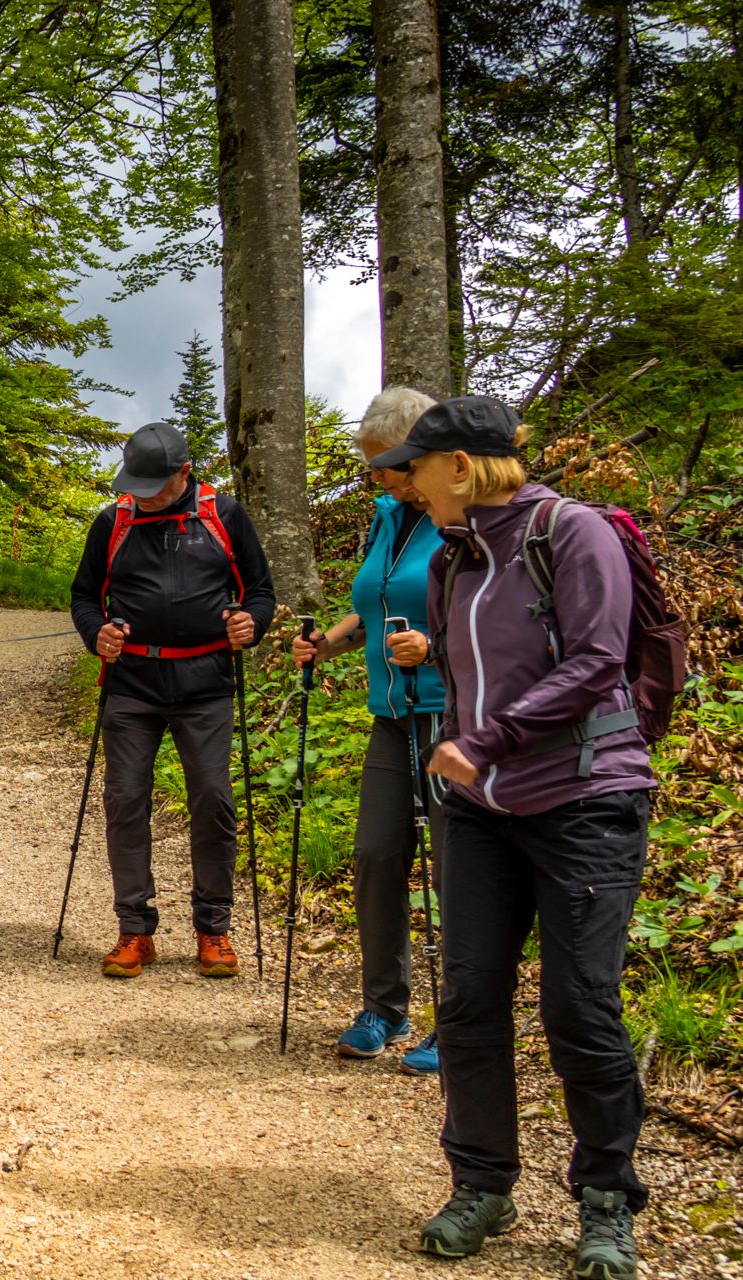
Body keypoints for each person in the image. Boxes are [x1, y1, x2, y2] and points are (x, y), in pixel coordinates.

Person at [374, 395, 653, 1280]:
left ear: (460, 465)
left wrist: (483, 742)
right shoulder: (458, 558)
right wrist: (456, 745)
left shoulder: (572, 534)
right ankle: (483, 1183)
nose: (407, 483)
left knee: (580, 1007)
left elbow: (597, 660)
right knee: (467, 999)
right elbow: (470, 676)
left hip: (585, 803)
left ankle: (606, 1201)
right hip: (484, 812)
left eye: (417, 466)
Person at [68, 421, 276, 979]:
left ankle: (214, 929)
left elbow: (260, 589)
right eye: (134, 483)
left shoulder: (223, 515)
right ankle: (134, 930)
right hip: (132, 681)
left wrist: (250, 623)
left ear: (185, 473)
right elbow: (85, 595)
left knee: (212, 798)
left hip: (205, 681)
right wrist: (97, 635)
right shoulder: (113, 521)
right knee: (125, 800)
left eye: (153, 484)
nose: (141, 493)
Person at [290, 386, 446, 1074]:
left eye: (384, 463)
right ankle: (384, 1006)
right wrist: (333, 641)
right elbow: (380, 603)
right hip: (391, 716)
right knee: (378, 857)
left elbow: (495, 617)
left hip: (452, 715)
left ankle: (463, 1018)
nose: (374, 476)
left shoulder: (462, 519)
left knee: (460, 870)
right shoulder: (389, 516)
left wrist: (435, 647)